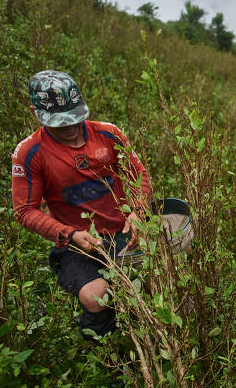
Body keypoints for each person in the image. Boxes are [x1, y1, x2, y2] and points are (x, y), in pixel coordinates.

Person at [11, 70, 150, 342]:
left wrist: (138, 211)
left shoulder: (109, 135)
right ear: (34, 112)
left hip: (124, 233)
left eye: (74, 118)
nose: (70, 127)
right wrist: (69, 235)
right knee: (96, 297)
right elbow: (25, 210)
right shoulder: (29, 153)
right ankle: (109, 358)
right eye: (59, 123)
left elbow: (139, 175)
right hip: (77, 244)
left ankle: (146, 340)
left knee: (151, 286)